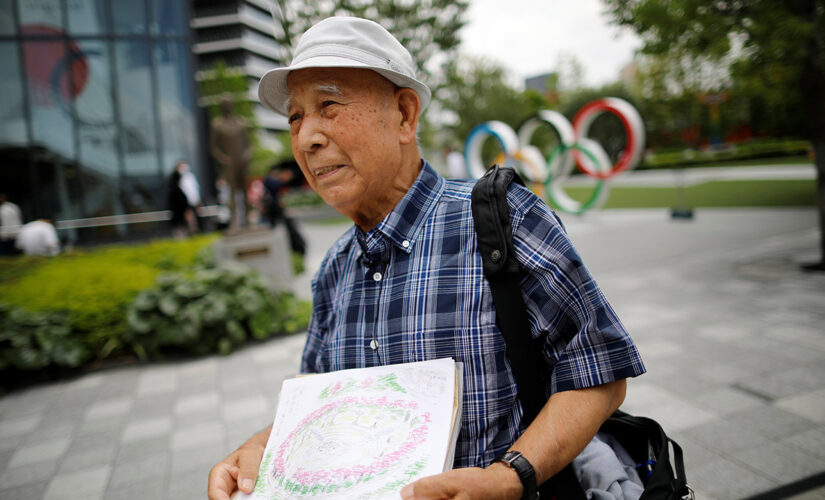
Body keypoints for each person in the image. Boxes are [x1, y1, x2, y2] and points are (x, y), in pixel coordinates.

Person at [208, 16, 645, 500]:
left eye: (328, 105)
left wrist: (507, 477)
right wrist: (262, 448)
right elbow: (320, 412)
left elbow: (601, 374)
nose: (307, 137)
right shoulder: (333, 270)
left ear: (404, 114)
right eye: (294, 117)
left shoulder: (505, 221)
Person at [210, 93, 252, 231]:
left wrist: (246, 155)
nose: (227, 106)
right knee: (232, 194)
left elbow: (248, 144)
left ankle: (248, 222)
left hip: (242, 163)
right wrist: (224, 159)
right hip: (229, 164)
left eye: (229, 103)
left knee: (245, 193)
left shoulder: (240, 122)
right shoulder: (217, 125)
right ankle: (234, 223)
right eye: (225, 104)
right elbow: (214, 148)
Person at [263, 162, 306, 255]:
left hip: (276, 208)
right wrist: (284, 179)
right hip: (272, 209)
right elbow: (277, 185)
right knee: (275, 226)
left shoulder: (272, 180)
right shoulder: (268, 180)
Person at [176, 160, 202, 233]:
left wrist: (197, 200)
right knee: (189, 216)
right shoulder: (179, 178)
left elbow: (194, 189)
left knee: (195, 215)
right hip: (185, 201)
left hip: (193, 200)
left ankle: (196, 229)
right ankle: (191, 229)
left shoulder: (190, 177)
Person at [167, 168, 193, 239]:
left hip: (176, 220)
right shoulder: (179, 192)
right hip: (181, 221)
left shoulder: (171, 191)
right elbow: (185, 206)